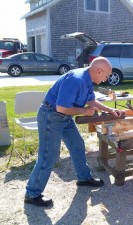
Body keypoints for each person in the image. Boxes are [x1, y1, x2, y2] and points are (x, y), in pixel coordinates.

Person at [24, 57, 123, 207]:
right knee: (48, 155)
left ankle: (84, 178)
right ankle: (32, 193)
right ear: (98, 70)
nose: (106, 79)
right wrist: (84, 111)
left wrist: (110, 109)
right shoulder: (76, 79)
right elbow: (61, 108)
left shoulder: (88, 79)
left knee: (77, 144)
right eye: (106, 75)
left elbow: (91, 101)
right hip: (51, 115)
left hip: (65, 117)